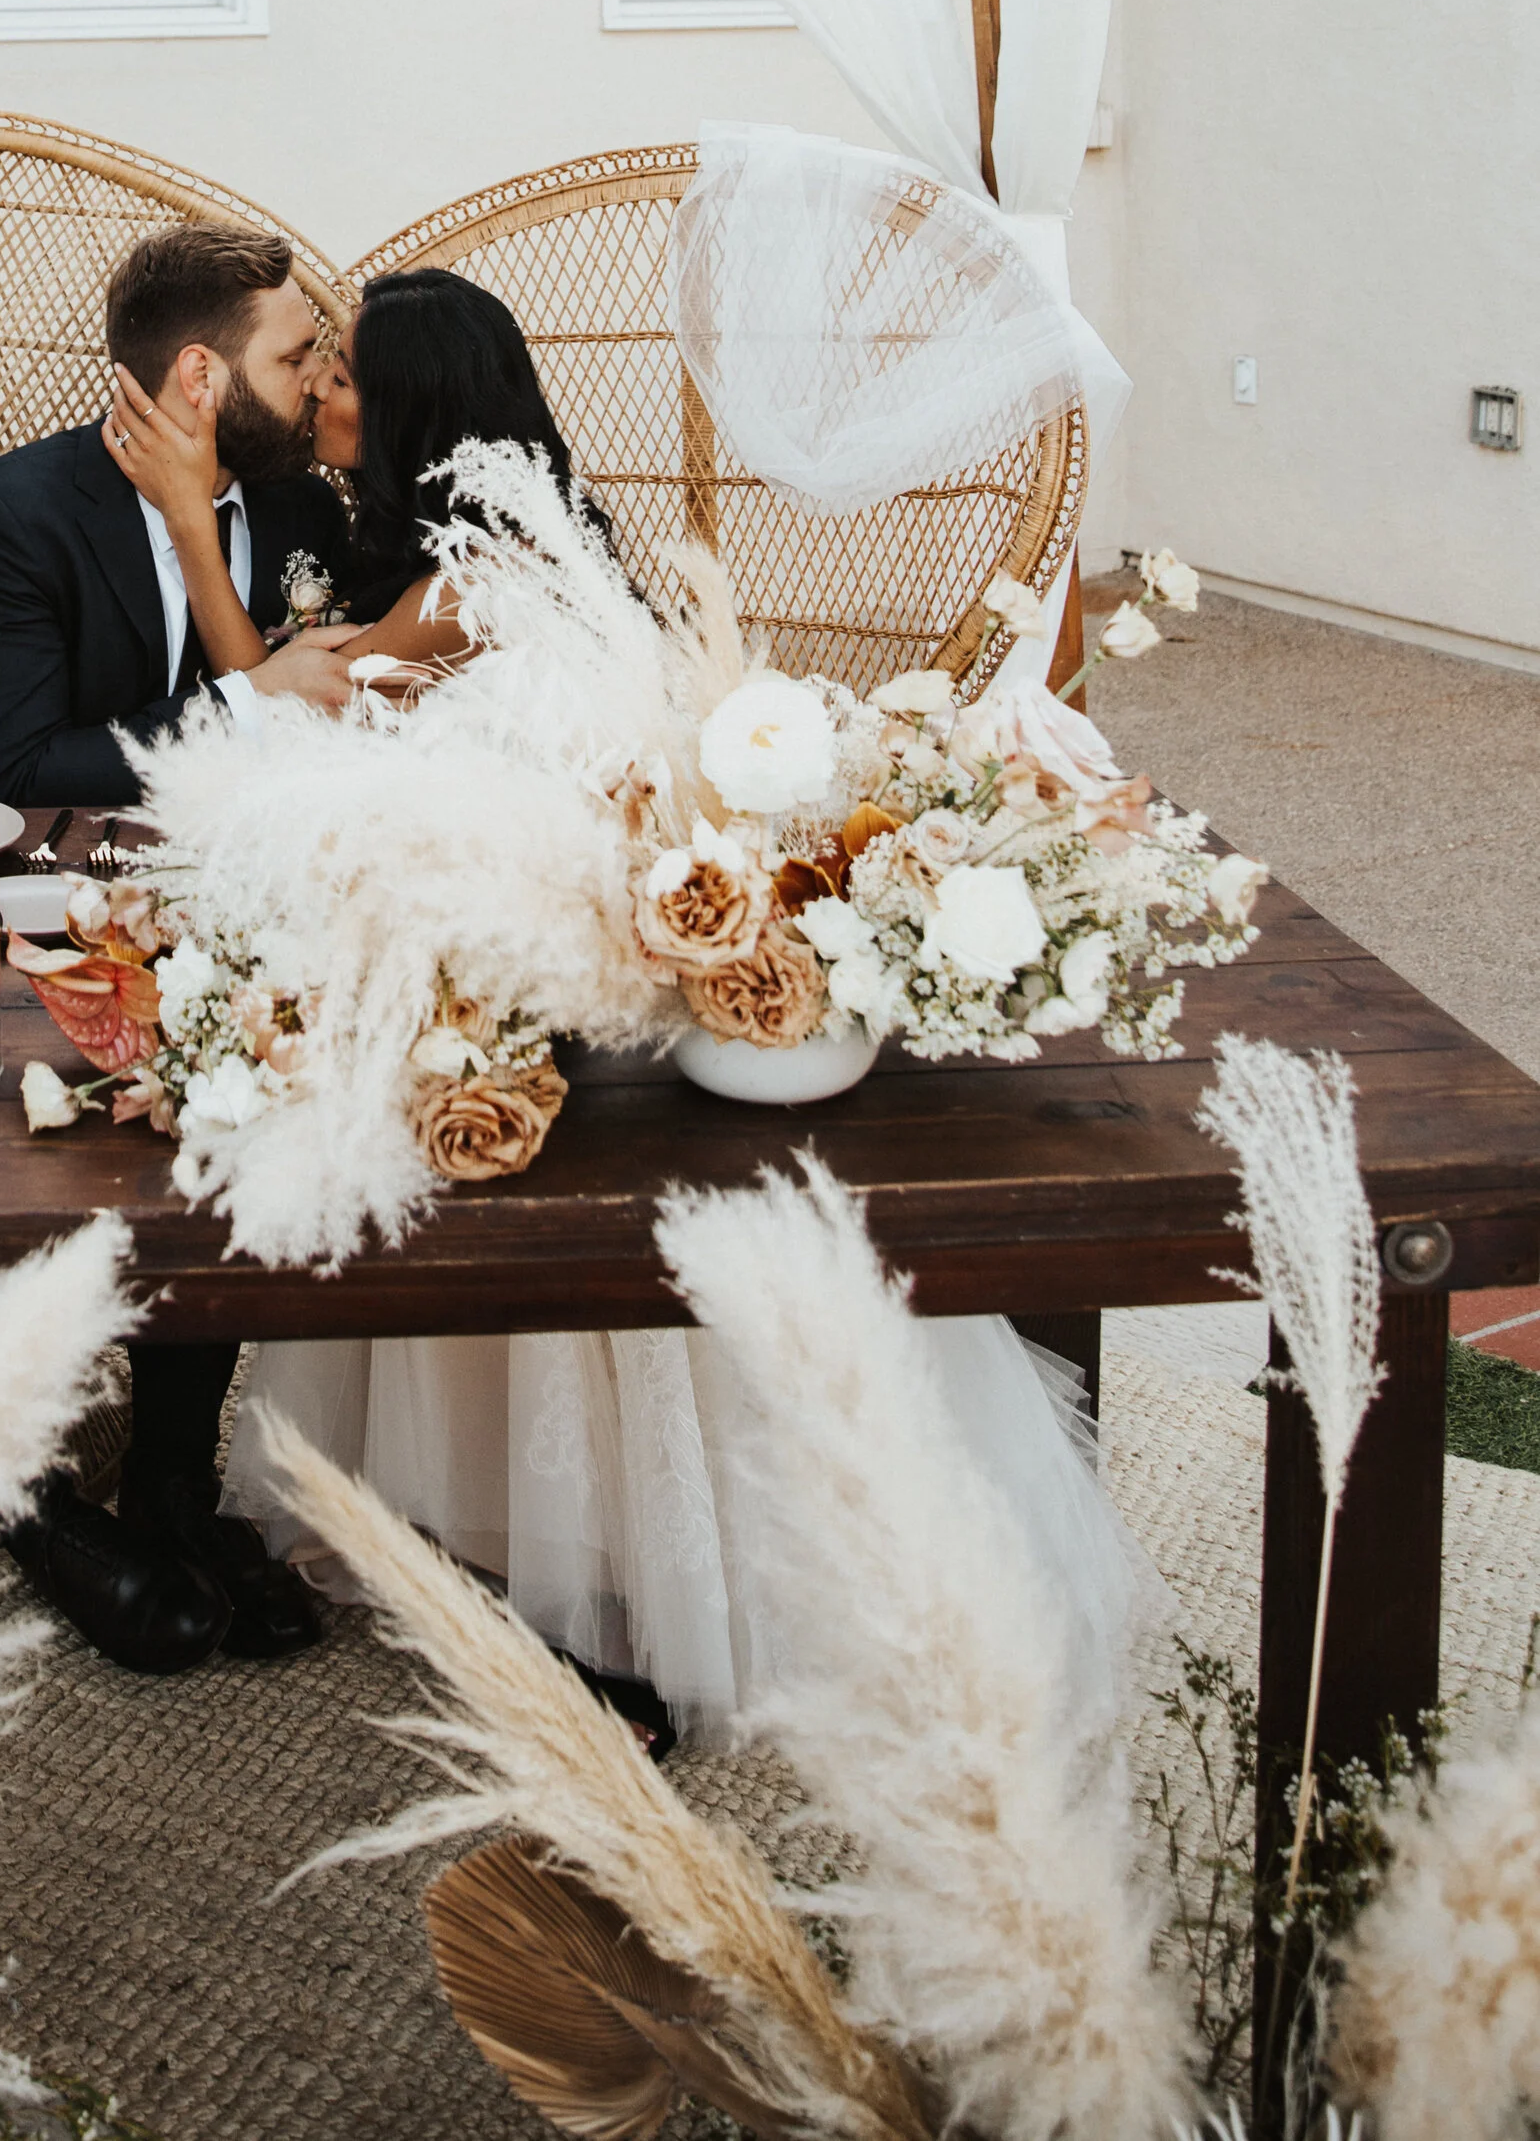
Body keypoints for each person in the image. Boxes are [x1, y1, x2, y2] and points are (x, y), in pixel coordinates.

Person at [176, 268, 1158, 1753]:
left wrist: (193, 519)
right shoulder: (513, 538)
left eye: (349, 380)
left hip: (568, 1004)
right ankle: (542, 1545)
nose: (323, 397)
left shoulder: (473, 575)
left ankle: (592, 1584)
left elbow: (279, 694)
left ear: (421, 410)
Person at [0, 223, 359, 1681]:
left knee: (268, 1088)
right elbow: (20, 756)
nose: (319, 378)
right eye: (295, 353)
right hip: (57, 933)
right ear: (203, 376)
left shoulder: (300, 511)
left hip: (253, 925)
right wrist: (257, 714)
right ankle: (40, 1489)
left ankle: (177, 1485)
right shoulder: (20, 509)